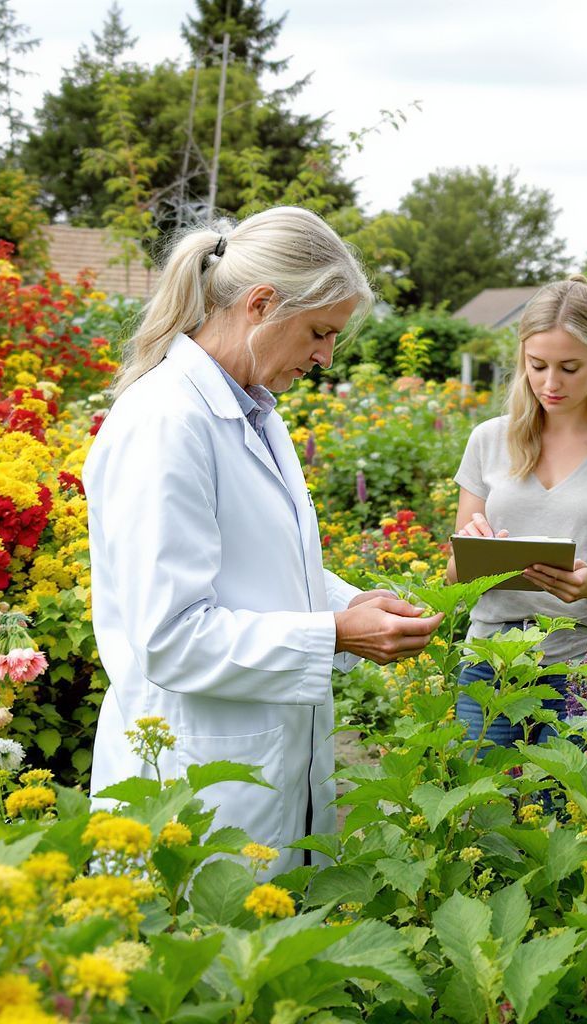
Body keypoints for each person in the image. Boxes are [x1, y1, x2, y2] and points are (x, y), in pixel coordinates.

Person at [84, 207, 443, 872]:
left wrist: (353, 602)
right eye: (319, 332)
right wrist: (336, 633)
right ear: (260, 304)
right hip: (193, 788)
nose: (325, 357)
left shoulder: (252, 415)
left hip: (262, 767)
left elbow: (260, 569)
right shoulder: (167, 424)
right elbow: (171, 637)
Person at [446, 275, 587, 748]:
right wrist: (476, 553)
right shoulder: (489, 440)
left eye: (569, 367)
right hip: (493, 665)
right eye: (538, 365)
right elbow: (453, 575)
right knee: (481, 816)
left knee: (583, 814)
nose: (551, 383)